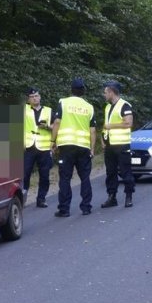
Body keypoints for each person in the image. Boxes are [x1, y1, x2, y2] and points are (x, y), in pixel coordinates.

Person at [51, 78, 97, 217]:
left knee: (65, 178)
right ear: (83, 91)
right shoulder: (89, 107)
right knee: (85, 177)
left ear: (71, 90)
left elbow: (57, 122)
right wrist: (92, 148)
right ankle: (86, 207)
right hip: (83, 147)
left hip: (66, 146)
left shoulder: (63, 103)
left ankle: (64, 209)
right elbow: (93, 130)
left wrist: (53, 141)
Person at [100, 80, 135, 208]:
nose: (104, 95)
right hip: (109, 145)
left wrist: (111, 126)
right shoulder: (108, 107)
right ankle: (111, 197)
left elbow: (128, 123)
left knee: (125, 171)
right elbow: (105, 125)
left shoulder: (125, 105)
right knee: (110, 172)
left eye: (105, 92)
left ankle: (128, 196)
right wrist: (102, 139)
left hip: (121, 144)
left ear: (111, 92)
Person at [22, 88, 54, 208]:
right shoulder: (24, 110)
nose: (35, 98)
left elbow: (56, 126)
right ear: (28, 99)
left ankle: (41, 199)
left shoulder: (49, 110)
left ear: (40, 97)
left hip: (44, 147)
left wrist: (46, 127)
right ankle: (23, 198)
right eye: (32, 96)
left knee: (44, 175)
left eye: (36, 96)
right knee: (25, 174)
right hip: (29, 147)